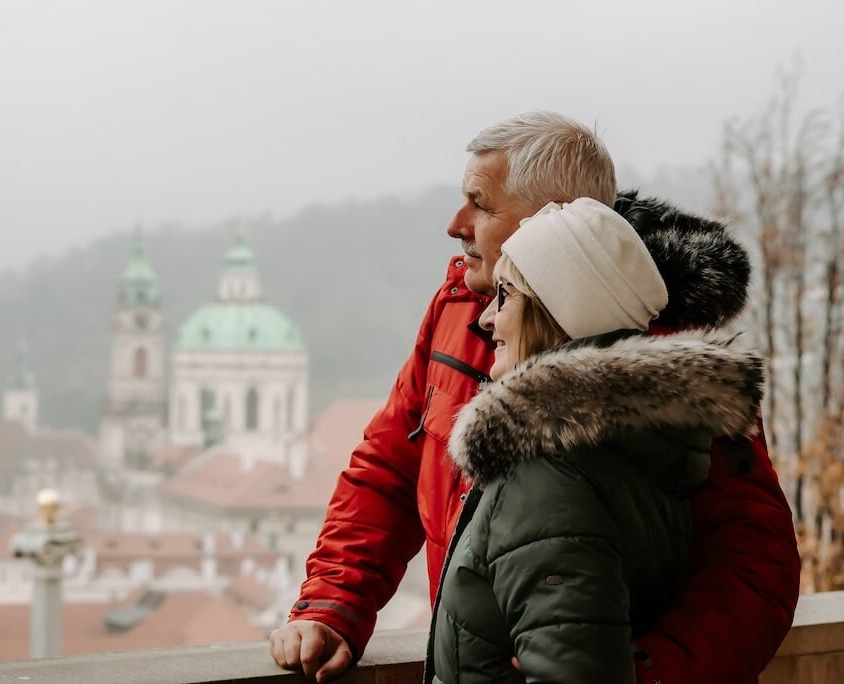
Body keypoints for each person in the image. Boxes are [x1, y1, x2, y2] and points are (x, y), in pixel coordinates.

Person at [270, 112, 800, 684]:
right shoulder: (456, 310)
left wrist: (649, 674)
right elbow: (390, 470)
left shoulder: (670, 358)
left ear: (555, 218)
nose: (455, 224)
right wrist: (333, 606)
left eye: (481, 204)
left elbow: (752, 560)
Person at [429, 197, 764, 683]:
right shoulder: (629, 445)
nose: (486, 319)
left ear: (552, 310)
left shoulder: (546, 473)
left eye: (505, 296)